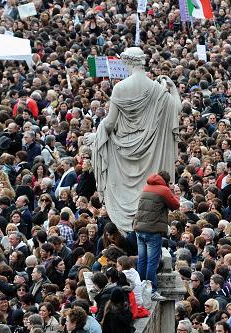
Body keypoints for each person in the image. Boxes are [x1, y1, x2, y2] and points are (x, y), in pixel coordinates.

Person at [92, 47, 180, 234]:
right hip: (151, 152)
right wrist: (173, 90)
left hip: (123, 150)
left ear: (127, 62)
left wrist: (97, 136)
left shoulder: (121, 88)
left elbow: (109, 123)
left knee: (124, 192)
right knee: (146, 190)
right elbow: (176, 112)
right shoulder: (158, 90)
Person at [133, 171, 180, 301]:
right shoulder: (163, 190)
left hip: (139, 228)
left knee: (142, 259)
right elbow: (175, 205)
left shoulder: (147, 187)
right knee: (152, 262)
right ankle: (151, 291)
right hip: (152, 230)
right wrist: (170, 191)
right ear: (166, 181)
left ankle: (142, 288)